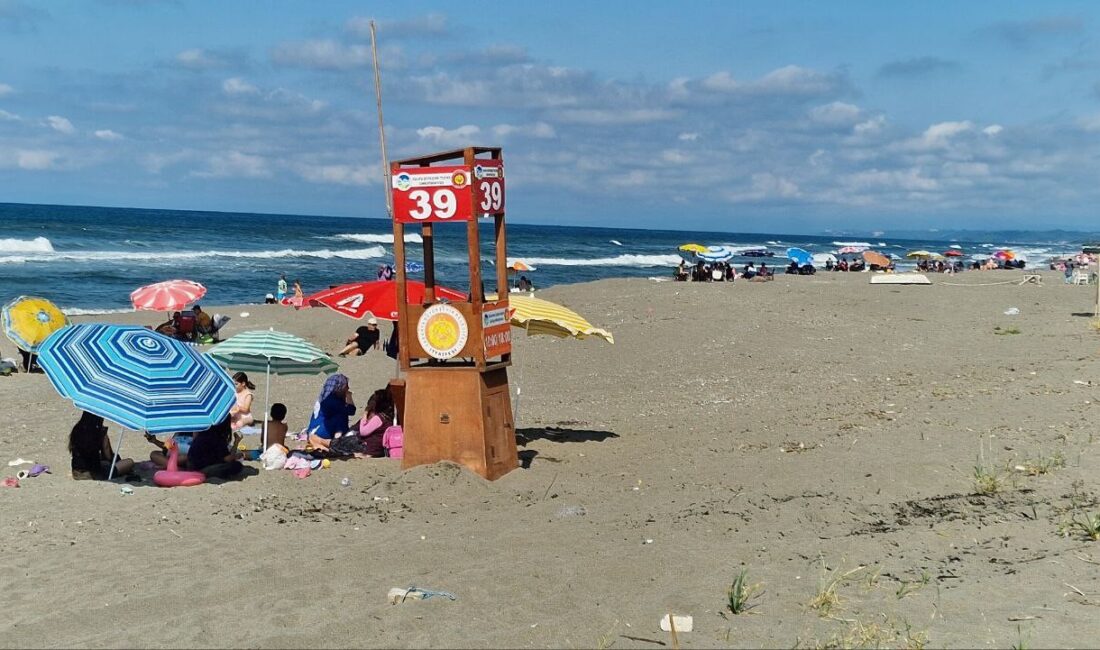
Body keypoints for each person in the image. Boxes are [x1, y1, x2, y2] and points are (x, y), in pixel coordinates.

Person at [70, 412, 134, 480]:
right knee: (129, 462)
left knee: (101, 461)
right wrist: (105, 435)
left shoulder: (77, 429)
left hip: (76, 471)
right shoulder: (98, 432)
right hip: (94, 473)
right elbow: (108, 455)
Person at [331, 389, 394, 458]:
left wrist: (365, 414)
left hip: (369, 448)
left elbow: (363, 432)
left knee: (334, 444)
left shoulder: (379, 418)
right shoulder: (387, 417)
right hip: (375, 448)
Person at [306, 373, 356, 450]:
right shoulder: (331, 400)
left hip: (314, 430)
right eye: (346, 386)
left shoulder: (326, 397)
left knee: (340, 413)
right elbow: (351, 410)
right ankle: (337, 440)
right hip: (318, 432)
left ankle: (338, 438)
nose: (348, 388)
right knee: (341, 415)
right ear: (340, 387)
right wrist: (349, 396)